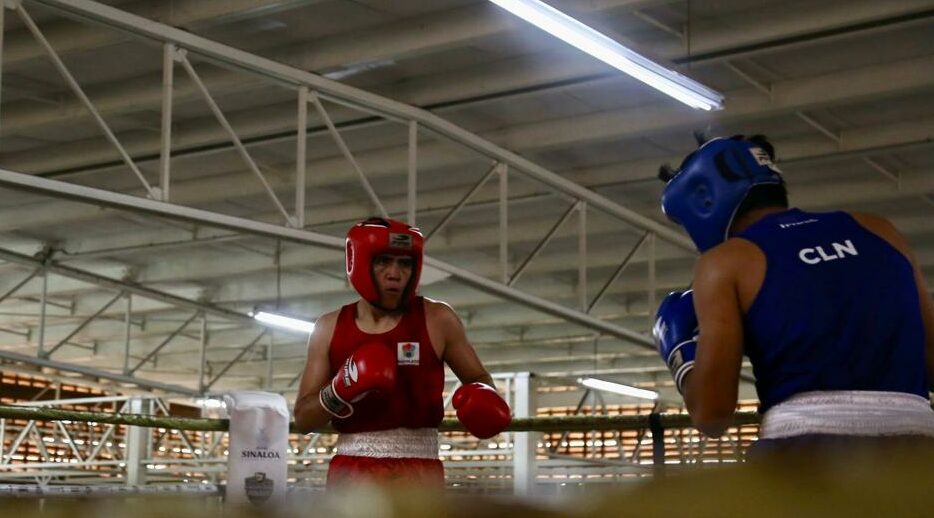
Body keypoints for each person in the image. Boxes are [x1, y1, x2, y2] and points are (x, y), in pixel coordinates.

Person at [652, 134, 934, 458]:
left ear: (703, 201)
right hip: (918, 452)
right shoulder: (880, 230)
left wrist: (681, 357)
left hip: (803, 452)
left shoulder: (725, 263)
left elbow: (712, 415)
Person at [293, 217, 511, 486]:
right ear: (359, 263)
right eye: (383, 261)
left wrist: (482, 398)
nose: (394, 273)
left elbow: (479, 379)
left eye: (404, 263)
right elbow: (303, 419)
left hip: (419, 472)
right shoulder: (328, 328)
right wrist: (339, 389)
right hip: (352, 470)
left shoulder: (437, 318)